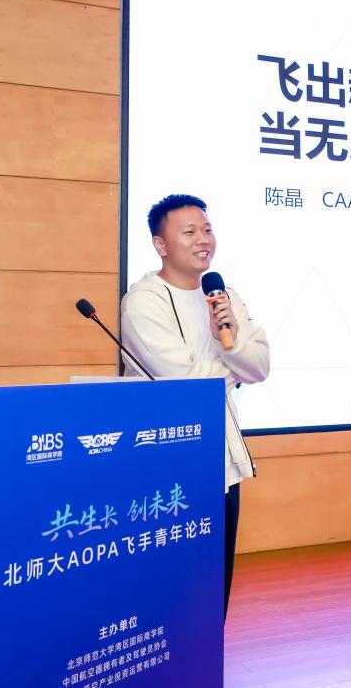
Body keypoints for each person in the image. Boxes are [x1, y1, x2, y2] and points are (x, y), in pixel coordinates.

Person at [120, 194, 270, 621]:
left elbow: (260, 366)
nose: (203, 239)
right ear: (160, 244)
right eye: (189, 232)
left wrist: (232, 346)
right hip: (166, 464)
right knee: (170, 587)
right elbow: (186, 381)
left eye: (207, 229)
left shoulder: (224, 296)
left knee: (214, 585)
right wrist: (235, 365)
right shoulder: (144, 301)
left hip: (222, 464)